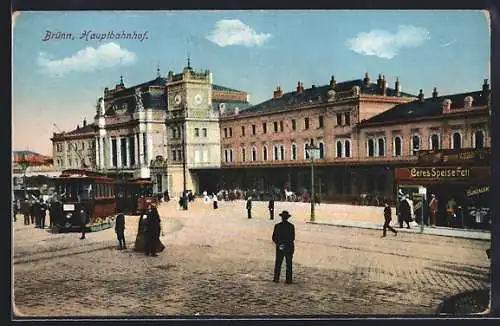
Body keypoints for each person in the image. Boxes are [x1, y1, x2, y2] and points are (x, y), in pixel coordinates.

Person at [272, 210, 295, 284]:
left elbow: (274, 238)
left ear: (281, 218)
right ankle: (289, 279)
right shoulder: (291, 226)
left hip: (280, 246)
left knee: (278, 262)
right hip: (289, 247)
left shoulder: (277, 226)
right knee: (289, 263)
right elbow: (292, 238)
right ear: (287, 218)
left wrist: (280, 244)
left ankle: (276, 278)